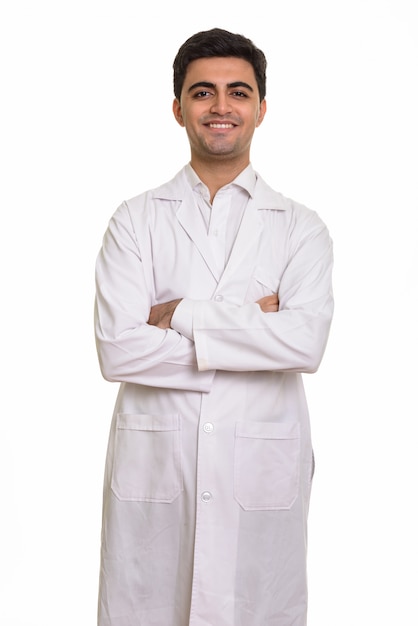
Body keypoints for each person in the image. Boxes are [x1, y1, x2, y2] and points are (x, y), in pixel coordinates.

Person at [94, 27, 334, 626]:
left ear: (260, 109)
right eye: (203, 93)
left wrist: (182, 317)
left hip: (261, 473)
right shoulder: (135, 221)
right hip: (157, 471)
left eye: (238, 92)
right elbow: (119, 351)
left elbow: (304, 342)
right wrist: (253, 332)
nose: (221, 107)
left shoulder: (301, 229)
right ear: (178, 109)